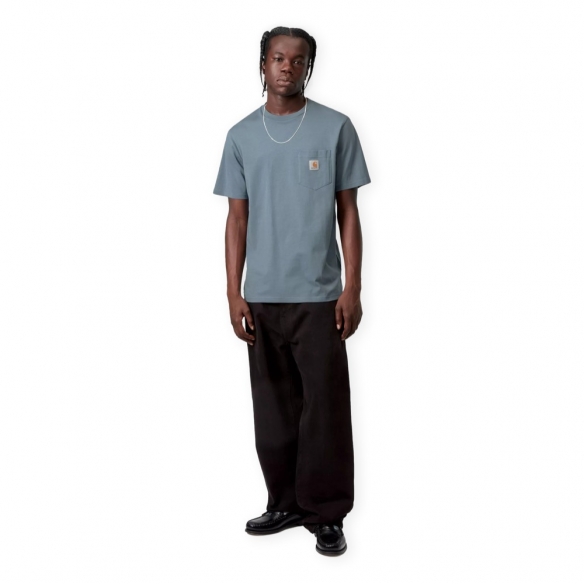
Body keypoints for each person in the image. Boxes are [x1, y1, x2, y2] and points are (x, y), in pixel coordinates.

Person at [212, 26, 371, 557]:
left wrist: (352, 287)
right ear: (263, 64)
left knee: (324, 409)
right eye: (278, 57)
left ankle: (326, 513)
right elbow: (236, 220)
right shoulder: (241, 136)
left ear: (309, 67)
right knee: (273, 410)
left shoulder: (335, 127)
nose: (287, 66)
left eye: (298, 59)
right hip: (262, 296)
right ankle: (284, 502)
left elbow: (348, 213)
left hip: (320, 297)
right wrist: (233, 293)